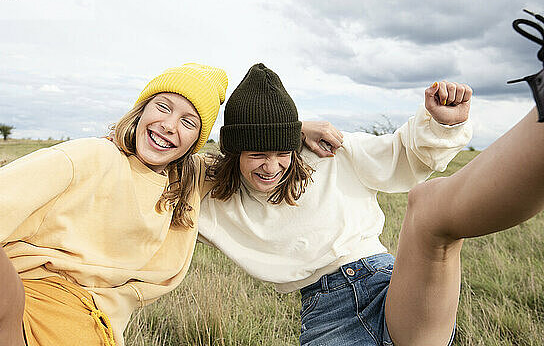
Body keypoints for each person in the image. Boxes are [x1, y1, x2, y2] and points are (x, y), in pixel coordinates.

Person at [198, 62, 542, 345]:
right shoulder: (211, 195)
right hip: (324, 315)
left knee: (429, 210)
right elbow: (157, 164)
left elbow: (401, 155)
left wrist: (440, 123)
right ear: (234, 151)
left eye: (281, 152)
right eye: (258, 154)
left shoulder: (328, 152)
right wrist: (294, 127)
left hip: (386, 284)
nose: (272, 167)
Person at [0, 63, 229, 346]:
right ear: (142, 110)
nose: (168, 125)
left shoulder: (186, 182)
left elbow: (251, 158)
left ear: (196, 141)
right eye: (162, 107)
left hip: (85, 326)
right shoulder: (92, 156)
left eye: (188, 121)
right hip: (22, 309)